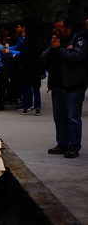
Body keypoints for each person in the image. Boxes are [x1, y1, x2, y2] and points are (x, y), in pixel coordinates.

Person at [41, 15, 87, 158]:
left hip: (73, 86)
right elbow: (43, 59)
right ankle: (62, 144)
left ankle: (74, 146)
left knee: (73, 118)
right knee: (59, 117)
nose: (57, 33)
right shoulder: (56, 41)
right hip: (57, 85)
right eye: (56, 30)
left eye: (60, 30)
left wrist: (59, 48)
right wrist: (53, 48)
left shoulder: (79, 41)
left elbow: (75, 58)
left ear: (69, 28)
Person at [18, 27, 43, 115]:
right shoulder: (39, 46)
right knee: (36, 89)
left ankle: (25, 107)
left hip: (26, 69)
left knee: (26, 88)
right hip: (36, 69)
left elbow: (20, 58)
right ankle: (38, 107)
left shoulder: (25, 46)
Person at [0, 29, 10, 111]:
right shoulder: (2, 47)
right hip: (0, 68)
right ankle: (1, 104)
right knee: (1, 87)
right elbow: (7, 57)